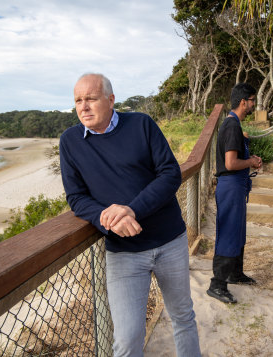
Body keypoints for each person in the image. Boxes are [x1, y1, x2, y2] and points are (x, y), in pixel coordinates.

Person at [59, 73, 201, 357]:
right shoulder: (70, 141)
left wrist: (131, 209)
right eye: (78, 100)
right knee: (127, 338)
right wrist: (106, 216)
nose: (83, 107)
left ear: (111, 100)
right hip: (123, 251)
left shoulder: (141, 124)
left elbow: (170, 173)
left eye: (91, 99)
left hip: (169, 240)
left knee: (183, 315)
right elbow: (76, 197)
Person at [207, 83, 262, 304]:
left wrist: (250, 158)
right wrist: (250, 161)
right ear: (243, 102)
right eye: (252, 101)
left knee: (237, 231)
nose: (253, 105)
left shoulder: (235, 125)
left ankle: (234, 273)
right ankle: (217, 284)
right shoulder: (231, 126)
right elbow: (230, 163)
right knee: (229, 232)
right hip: (230, 185)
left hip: (236, 186)